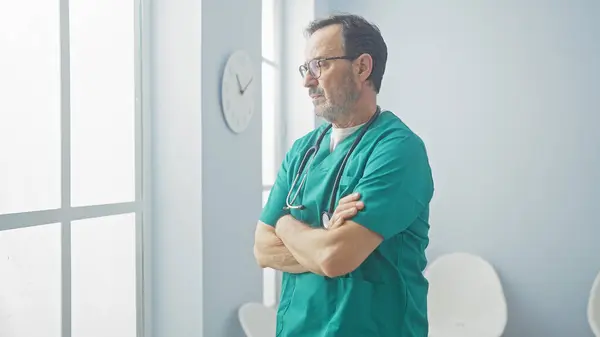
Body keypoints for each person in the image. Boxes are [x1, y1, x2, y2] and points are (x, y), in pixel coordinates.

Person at [253, 13, 434, 337]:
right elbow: (263, 249)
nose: (307, 81)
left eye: (319, 65)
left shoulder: (399, 150)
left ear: (362, 67)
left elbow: (334, 257)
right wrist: (322, 243)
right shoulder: (302, 151)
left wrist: (285, 223)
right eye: (305, 68)